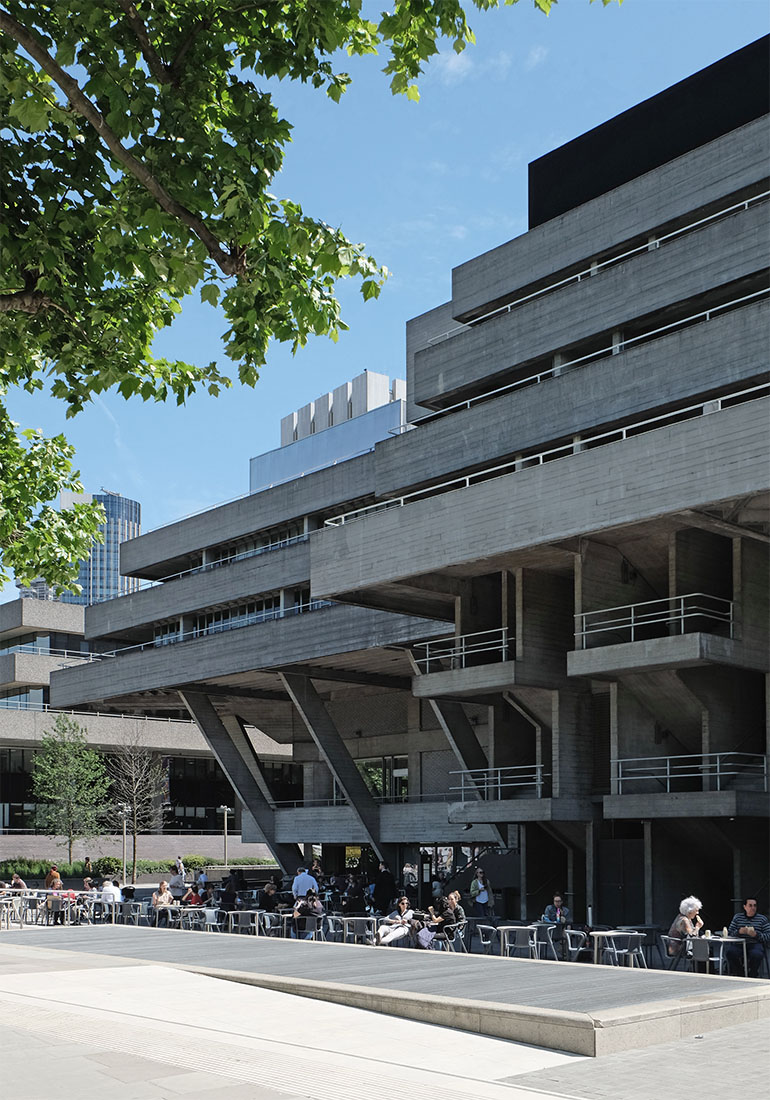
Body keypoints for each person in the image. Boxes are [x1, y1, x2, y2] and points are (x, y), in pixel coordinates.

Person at [725, 897, 770, 978]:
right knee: (730, 953)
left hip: (755, 943)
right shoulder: (738, 917)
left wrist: (756, 935)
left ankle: (753, 973)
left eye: (754, 906)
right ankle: (740, 972)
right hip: (739, 943)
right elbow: (730, 933)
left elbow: (768, 936)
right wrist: (739, 932)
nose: (753, 908)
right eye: (750, 905)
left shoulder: (762, 919)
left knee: (756, 954)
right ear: (745, 907)